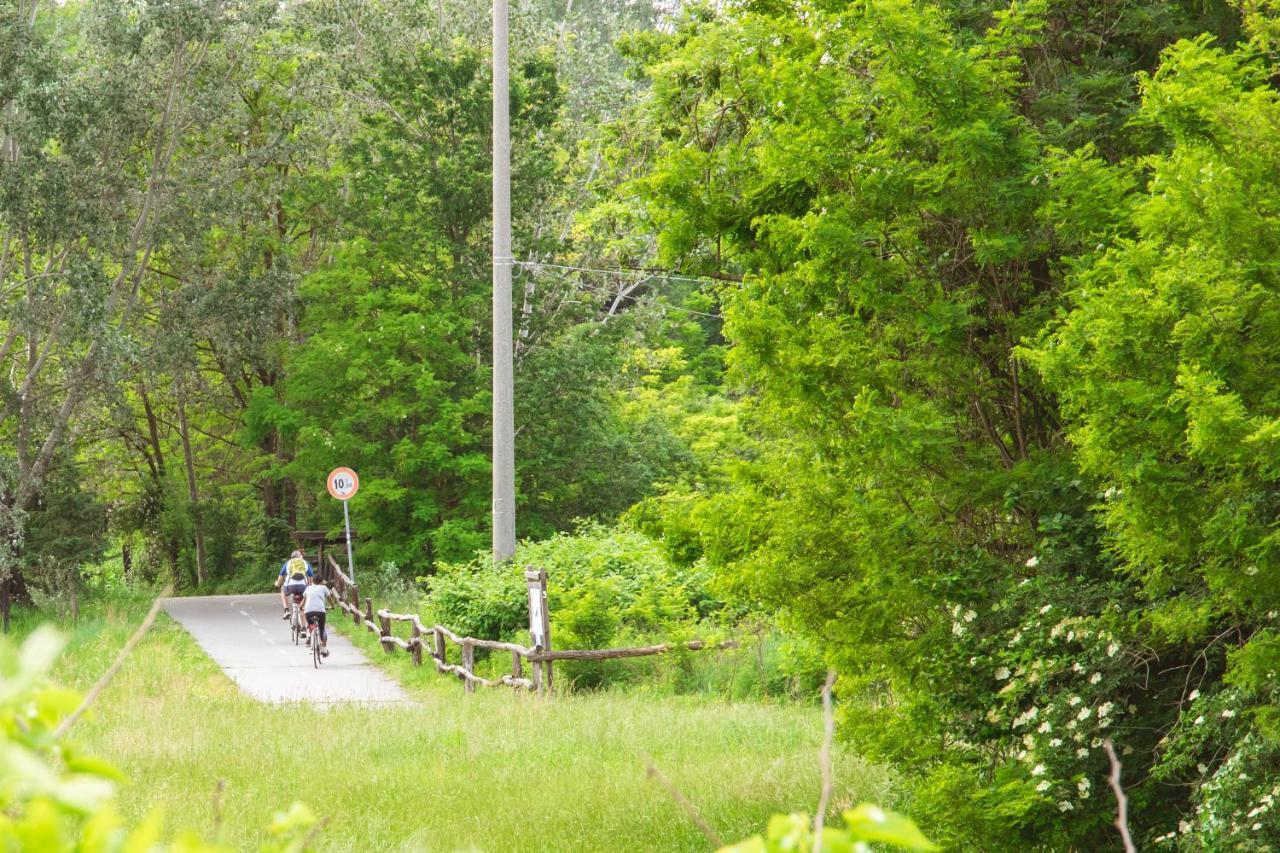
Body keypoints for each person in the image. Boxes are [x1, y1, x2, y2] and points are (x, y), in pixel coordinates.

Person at [302, 574, 334, 656]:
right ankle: (323, 649)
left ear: (313, 581)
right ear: (321, 581)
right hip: (320, 611)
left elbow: (303, 601)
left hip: (308, 611)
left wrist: (300, 607)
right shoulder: (324, 588)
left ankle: (310, 636)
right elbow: (329, 598)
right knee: (321, 628)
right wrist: (332, 606)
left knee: (311, 625)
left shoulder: (308, 588)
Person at [276, 550, 312, 619]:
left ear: (291, 557)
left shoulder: (288, 563)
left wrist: (277, 584)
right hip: (303, 587)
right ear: (300, 556)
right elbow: (311, 576)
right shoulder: (305, 562)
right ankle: (303, 626)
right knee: (303, 603)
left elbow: (281, 576)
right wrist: (310, 586)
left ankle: (286, 610)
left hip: (290, 586)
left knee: (282, 589)